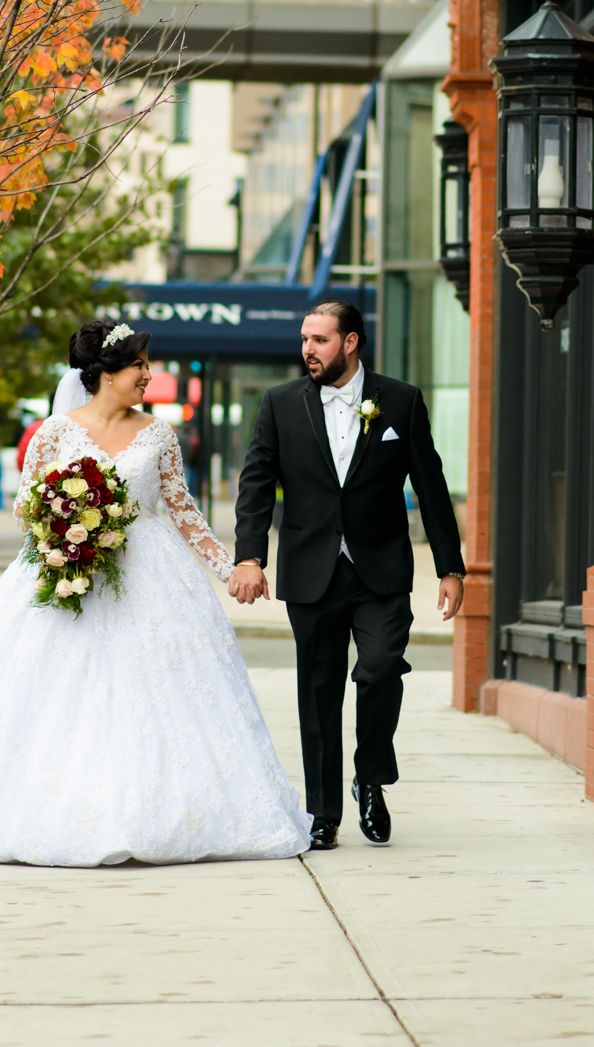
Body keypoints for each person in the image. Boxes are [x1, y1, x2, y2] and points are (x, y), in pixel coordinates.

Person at [0, 320, 310, 866]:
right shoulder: (54, 432)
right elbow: (26, 506)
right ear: (105, 374)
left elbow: (182, 511)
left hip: (151, 579)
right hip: (68, 573)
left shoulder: (160, 434)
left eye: (147, 364)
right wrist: (69, 531)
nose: (148, 374)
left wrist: (234, 567)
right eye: (139, 365)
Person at [228, 298, 466, 851]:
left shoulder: (400, 402)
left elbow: (430, 485)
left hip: (380, 568)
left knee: (380, 671)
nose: (307, 350)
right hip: (311, 570)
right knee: (318, 693)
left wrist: (450, 567)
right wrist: (249, 555)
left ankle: (370, 776)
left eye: (320, 340)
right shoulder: (280, 404)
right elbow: (256, 482)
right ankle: (323, 812)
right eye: (305, 340)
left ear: (351, 342)